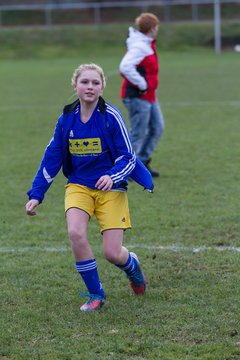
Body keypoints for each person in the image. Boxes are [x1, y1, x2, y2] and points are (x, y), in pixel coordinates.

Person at [25, 63, 153, 312]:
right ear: (75, 85)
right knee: (75, 234)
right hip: (78, 187)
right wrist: (36, 194)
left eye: (95, 83)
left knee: (113, 253)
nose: (90, 87)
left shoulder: (111, 117)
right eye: (85, 82)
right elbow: (52, 157)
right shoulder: (66, 120)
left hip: (111, 190)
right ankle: (96, 294)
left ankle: (132, 266)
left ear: (102, 86)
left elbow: (128, 157)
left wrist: (112, 176)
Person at [119, 12, 165, 177]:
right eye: (156, 26)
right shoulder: (140, 46)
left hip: (150, 96)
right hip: (137, 97)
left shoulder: (145, 44)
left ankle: (142, 162)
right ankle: (124, 169)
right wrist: (143, 84)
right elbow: (125, 67)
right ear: (152, 28)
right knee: (137, 133)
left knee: (157, 128)